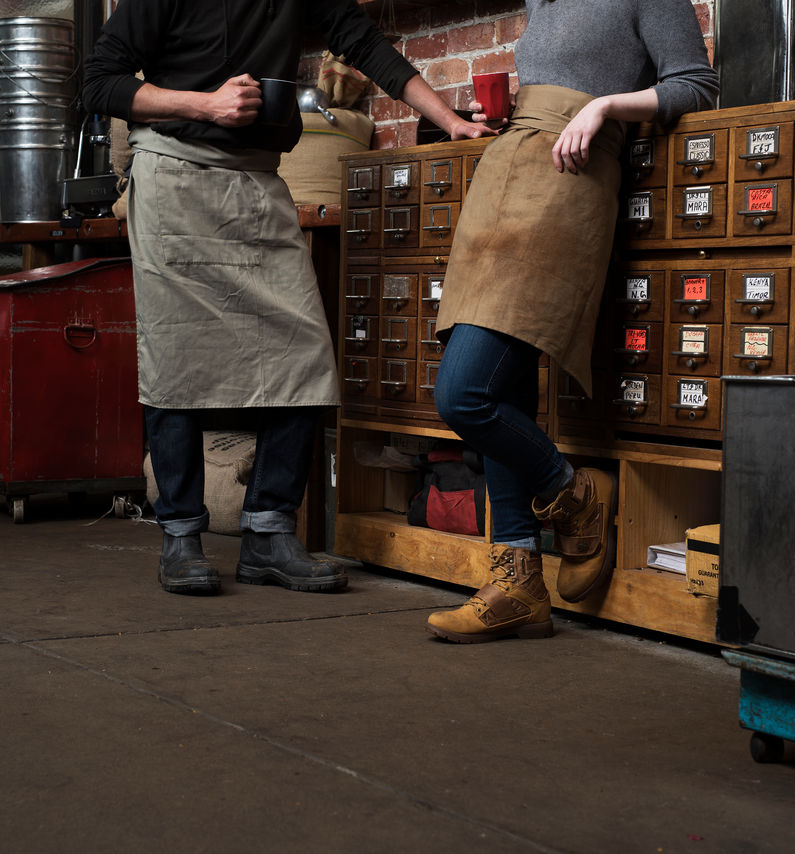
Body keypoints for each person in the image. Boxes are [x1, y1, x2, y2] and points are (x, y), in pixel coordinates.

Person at [83, 0, 491, 596]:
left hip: (257, 183)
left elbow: (365, 43)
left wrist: (451, 120)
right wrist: (205, 104)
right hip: (176, 178)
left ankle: (269, 534)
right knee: (177, 359)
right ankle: (180, 537)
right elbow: (99, 84)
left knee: (304, 358)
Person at [425, 0, 719, 641]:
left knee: (464, 395)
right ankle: (518, 582)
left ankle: (573, 493)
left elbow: (696, 84)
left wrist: (605, 106)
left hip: (566, 185)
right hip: (507, 175)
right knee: (503, 390)